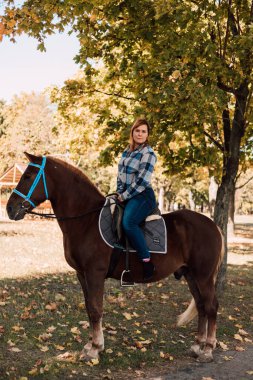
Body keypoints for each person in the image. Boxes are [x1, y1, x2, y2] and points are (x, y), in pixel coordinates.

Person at [116, 118, 157, 280]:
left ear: (147, 135)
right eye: (137, 130)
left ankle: (146, 261)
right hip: (126, 193)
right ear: (132, 132)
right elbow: (120, 174)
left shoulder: (148, 154)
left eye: (143, 131)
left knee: (128, 222)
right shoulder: (127, 151)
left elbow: (141, 181)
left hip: (142, 196)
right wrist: (118, 192)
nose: (140, 134)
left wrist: (124, 196)